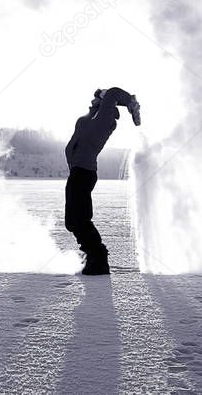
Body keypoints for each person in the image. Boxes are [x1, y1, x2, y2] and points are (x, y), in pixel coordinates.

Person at [64, 87, 140, 275]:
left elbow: (113, 92)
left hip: (84, 172)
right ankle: (91, 253)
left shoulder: (104, 120)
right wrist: (100, 95)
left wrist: (129, 101)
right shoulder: (89, 120)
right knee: (71, 222)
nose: (93, 103)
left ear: (106, 107)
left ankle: (98, 258)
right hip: (76, 172)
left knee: (80, 219)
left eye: (98, 102)